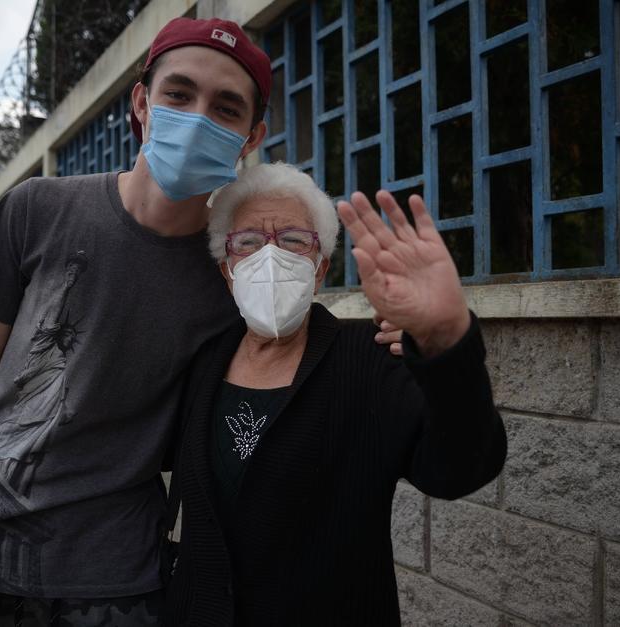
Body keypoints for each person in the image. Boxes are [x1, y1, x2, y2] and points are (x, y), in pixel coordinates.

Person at [0, 17, 272, 625]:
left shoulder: (232, 281)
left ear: (250, 137)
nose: (197, 118)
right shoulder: (37, 209)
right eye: (179, 95)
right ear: (141, 101)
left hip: (114, 584)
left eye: (226, 108)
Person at [161, 163, 508, 626]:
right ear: (227, 271)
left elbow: (460, 469)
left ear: (319, 267)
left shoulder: (370, 358)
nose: (269, 256)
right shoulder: (200, 365)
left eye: (292, 240)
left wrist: (446, 339)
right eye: (247, 242)